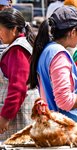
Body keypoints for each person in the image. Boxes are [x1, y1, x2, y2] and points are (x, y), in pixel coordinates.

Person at [28, 6, 77, 123]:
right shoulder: (58, 55)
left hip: (55, 126)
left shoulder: (48, 50)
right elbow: (65, 101)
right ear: (73, 32)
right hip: (64, 129)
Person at [0, 8, 39, 140]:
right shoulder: (18, 46)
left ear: (14, 29)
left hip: (17, 116)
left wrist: (5, 117)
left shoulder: (18, 50)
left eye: (0, 29)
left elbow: (18, 87)